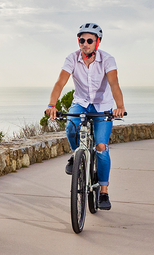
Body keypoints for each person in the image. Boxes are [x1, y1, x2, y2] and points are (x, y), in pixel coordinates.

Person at [45, 23, 125, 210]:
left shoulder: (107, 59)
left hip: (102, 106)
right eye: (82, 40)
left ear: (98, 42)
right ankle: (76, 155)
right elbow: (60, 83)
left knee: (101, 146)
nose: (85, 44)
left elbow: (114, 84)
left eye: (90, 40)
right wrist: (52, 105)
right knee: (71, 127)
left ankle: (103, 191)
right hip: (80, 102)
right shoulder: (72, 59)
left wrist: (119, 106)